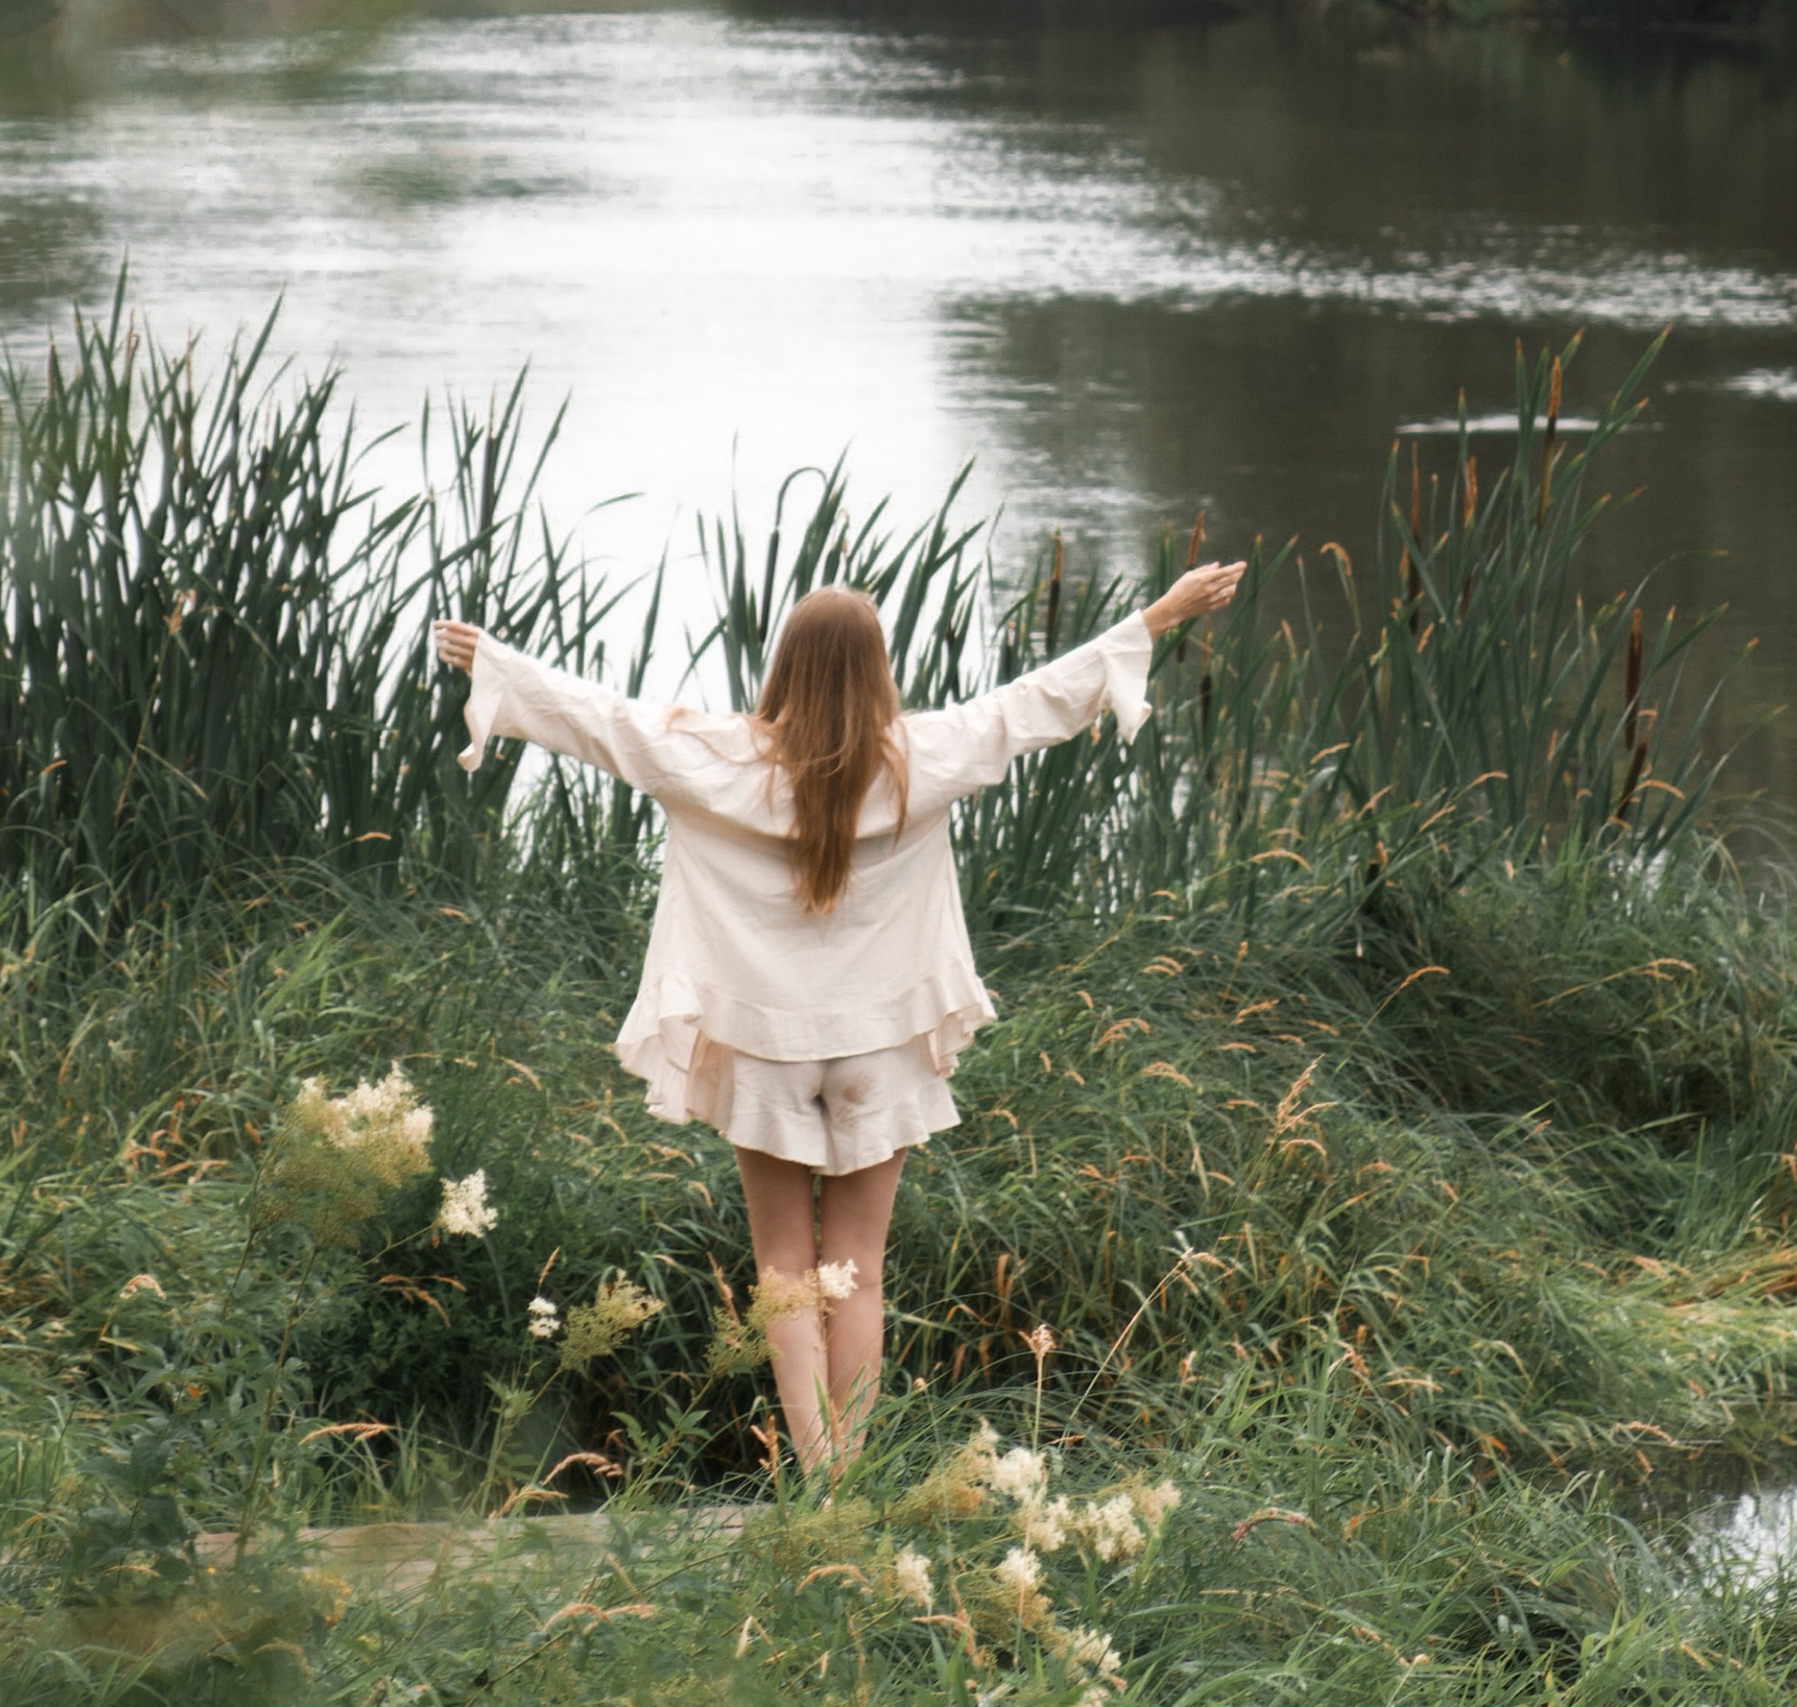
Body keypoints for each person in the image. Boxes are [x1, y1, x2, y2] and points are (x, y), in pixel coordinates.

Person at [432, 555, 1242, 1473]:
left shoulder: (716, 756)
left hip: (766, 1043)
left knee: (784, 1264)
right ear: (877, 669)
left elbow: (603, 722)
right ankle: (852, 1475)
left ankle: (818, 1476)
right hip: (881, 1047)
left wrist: (498, 664)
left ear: (785, 663)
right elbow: (1036, 704)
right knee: (857, 1265)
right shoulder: (922, 757)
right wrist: (1160, 615)